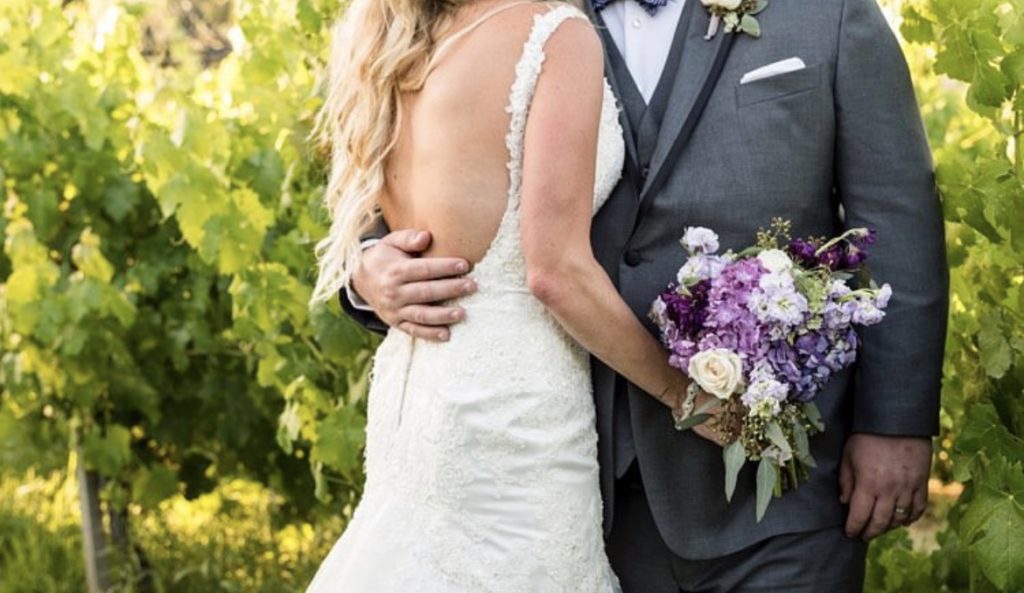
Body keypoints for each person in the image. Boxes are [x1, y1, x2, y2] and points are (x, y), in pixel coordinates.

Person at [342, 0, 950, 590]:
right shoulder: (519, 14)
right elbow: (427, 175)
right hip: (582, 479)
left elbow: (896, 216)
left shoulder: (831, 11)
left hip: (780, 474)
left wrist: (896, 423)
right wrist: (369, 266)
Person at [305, 0, 714, 590]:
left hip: (416, 396)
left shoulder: (398, 43)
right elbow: (555, 273)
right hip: (515, 415)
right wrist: (688, 397)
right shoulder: (556, 33)